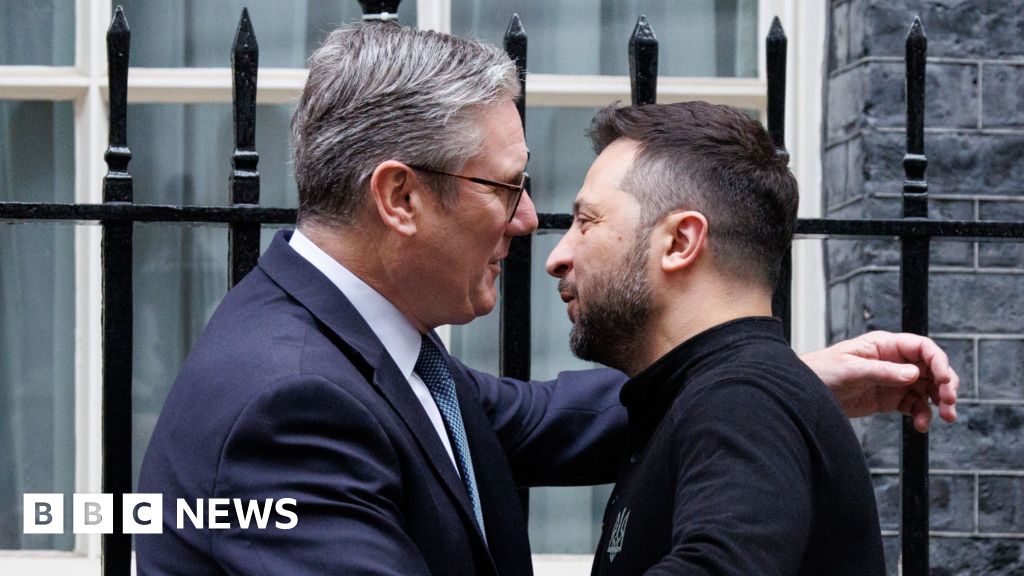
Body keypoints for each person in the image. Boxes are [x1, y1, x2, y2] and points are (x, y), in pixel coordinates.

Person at [136, 23, 957, 576]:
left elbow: (541, 419)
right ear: (400, 198)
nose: (532, 223)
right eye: (507, 186)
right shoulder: (292, 402)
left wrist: (775, 386)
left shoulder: (364, 352)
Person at [545, 101, 886, 575]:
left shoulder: (741, 400)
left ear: (681, 242)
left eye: (586, 222)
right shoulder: (719, 396)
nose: (557, 257)